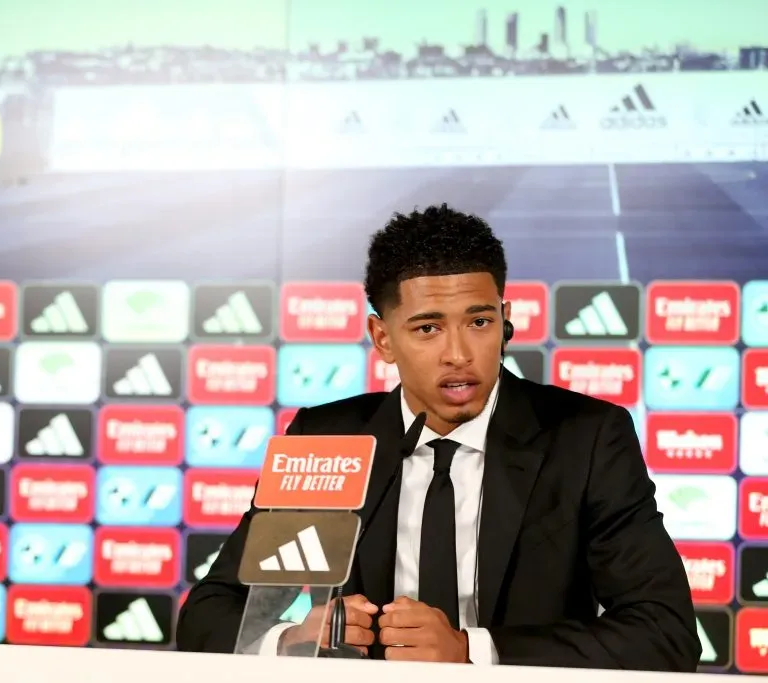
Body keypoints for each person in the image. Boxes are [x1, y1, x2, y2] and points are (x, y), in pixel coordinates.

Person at [175, 204, 699, 671]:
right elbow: (208, 616)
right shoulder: (328, 438)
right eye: (428, 328)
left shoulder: (585, 440)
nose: (459, 353)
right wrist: (292, 638)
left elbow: (665, 634)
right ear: (383, 337)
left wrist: (472, 650)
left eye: (479, 321)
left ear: (505, 321)